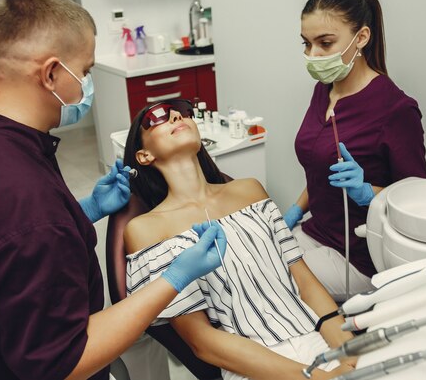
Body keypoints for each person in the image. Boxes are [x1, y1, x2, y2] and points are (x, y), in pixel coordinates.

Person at [0, 0, 226, 380]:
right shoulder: (25, 199)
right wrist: (175, 277)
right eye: (87, 71)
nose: (86, 85)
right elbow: (63, 360)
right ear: (52, 73)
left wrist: (83, 211)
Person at [122, 99, 357, 380]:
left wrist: (349, 351)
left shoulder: (249, 190)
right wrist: (313, 377)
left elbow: (305, 283)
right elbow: (201, 341)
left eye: (183, 111)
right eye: (157, 116)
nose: (175, 116)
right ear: (144, 156)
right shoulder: (145, 229)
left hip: (316, 337)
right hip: (252, 364)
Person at [283, 0, 426, 302]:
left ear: (361, 37)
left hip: (359, 257)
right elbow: (322, 168)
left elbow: (417, 200)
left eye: (325, 43)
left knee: (267, 275)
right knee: (248, 256)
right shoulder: (326, 88)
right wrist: (295, 210)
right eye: (306, 44)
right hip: (315, 232)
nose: (313, 55)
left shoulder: (396, 110)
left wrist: (368, 193)